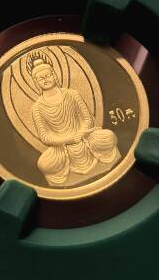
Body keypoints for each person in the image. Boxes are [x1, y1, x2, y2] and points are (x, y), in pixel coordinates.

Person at [27, 51, 119, 185]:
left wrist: (80, 134)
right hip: (61, 148)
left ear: (54, 75)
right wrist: (67, 140)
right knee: (44, 164)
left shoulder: (72, 94)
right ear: (36, 82)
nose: (46, 79)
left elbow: (88, 119)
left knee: (109, 137)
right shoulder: (37, 107)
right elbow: (45, 137)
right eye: (41, 78)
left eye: (48, 75)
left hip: (85, 138)